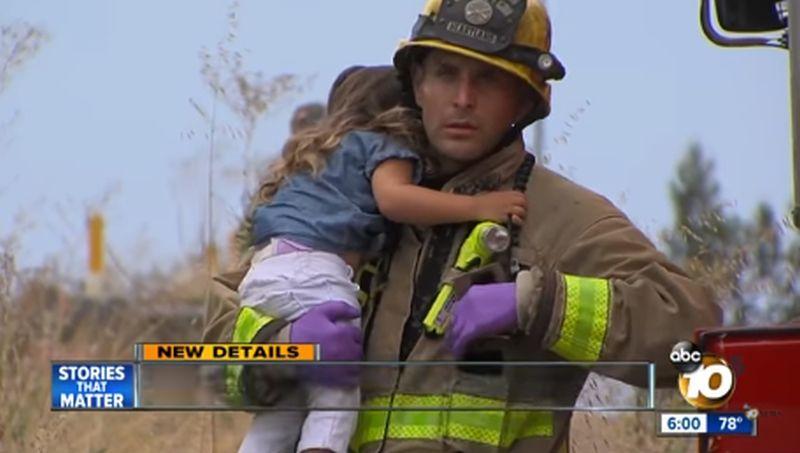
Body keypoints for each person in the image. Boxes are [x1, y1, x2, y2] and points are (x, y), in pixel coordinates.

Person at [204, 0, 722, 451]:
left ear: (526, 102)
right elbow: (205, 365)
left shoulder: (566, 220)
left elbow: (693, 344)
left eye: (490, 79)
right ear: (417, 85)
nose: (464, 99)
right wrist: (286, 343)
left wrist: (536, 304)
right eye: (446, 74)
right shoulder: (341, 195)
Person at [234, 65, 528, 453]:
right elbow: (395, 200)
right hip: (318, 277)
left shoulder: (318, 153)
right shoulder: (386, 146)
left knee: (283, 406)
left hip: (265, 273)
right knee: (335, 395)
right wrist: (476, 206)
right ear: (406, 110)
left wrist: (282, 341)